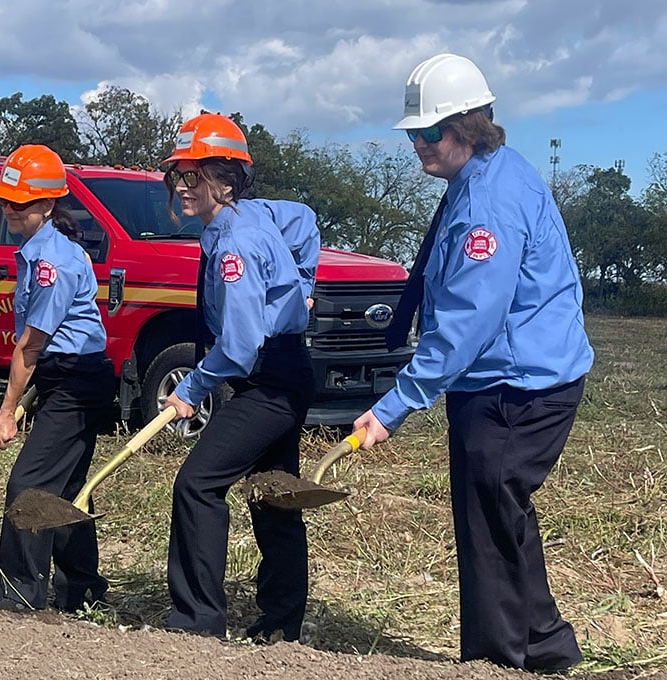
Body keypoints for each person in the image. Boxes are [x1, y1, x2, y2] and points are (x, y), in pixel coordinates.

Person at [352, 54, 594, 672]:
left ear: (469, 126)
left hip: (516, 389)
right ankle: (543, 646)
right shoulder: (486, 179)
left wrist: (393, 406)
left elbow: (467, 321)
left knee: (489, 526)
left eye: (429, 132)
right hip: (510, 381)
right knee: (500, 514)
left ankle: (496, 660)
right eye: (413, 132)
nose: (417, 144)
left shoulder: (488, 200)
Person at [160, 113, 319, 642]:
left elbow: (240, 344)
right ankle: (281, 623)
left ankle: (197, 620)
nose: (183, 185)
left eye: (195, 175)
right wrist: (300, 285)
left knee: (197, 484)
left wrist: (191, 388)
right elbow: (305, 220)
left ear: (226, 182)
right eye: (178, 173)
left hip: (269, 378)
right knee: (273, 493)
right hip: (279, 371)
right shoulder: (250, 218)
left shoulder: (237, 244)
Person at [0, 144, 115, 613]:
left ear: (48, 204)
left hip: (76, 381)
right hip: (68, 375)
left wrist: (6, 411)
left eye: (19, 201)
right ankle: (81, 587)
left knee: (28, 484)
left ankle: (19, 592)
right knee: (67, 487)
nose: (8, 209)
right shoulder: (39, 251)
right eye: (5, 199)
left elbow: (30, 346)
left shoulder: (54, 263)